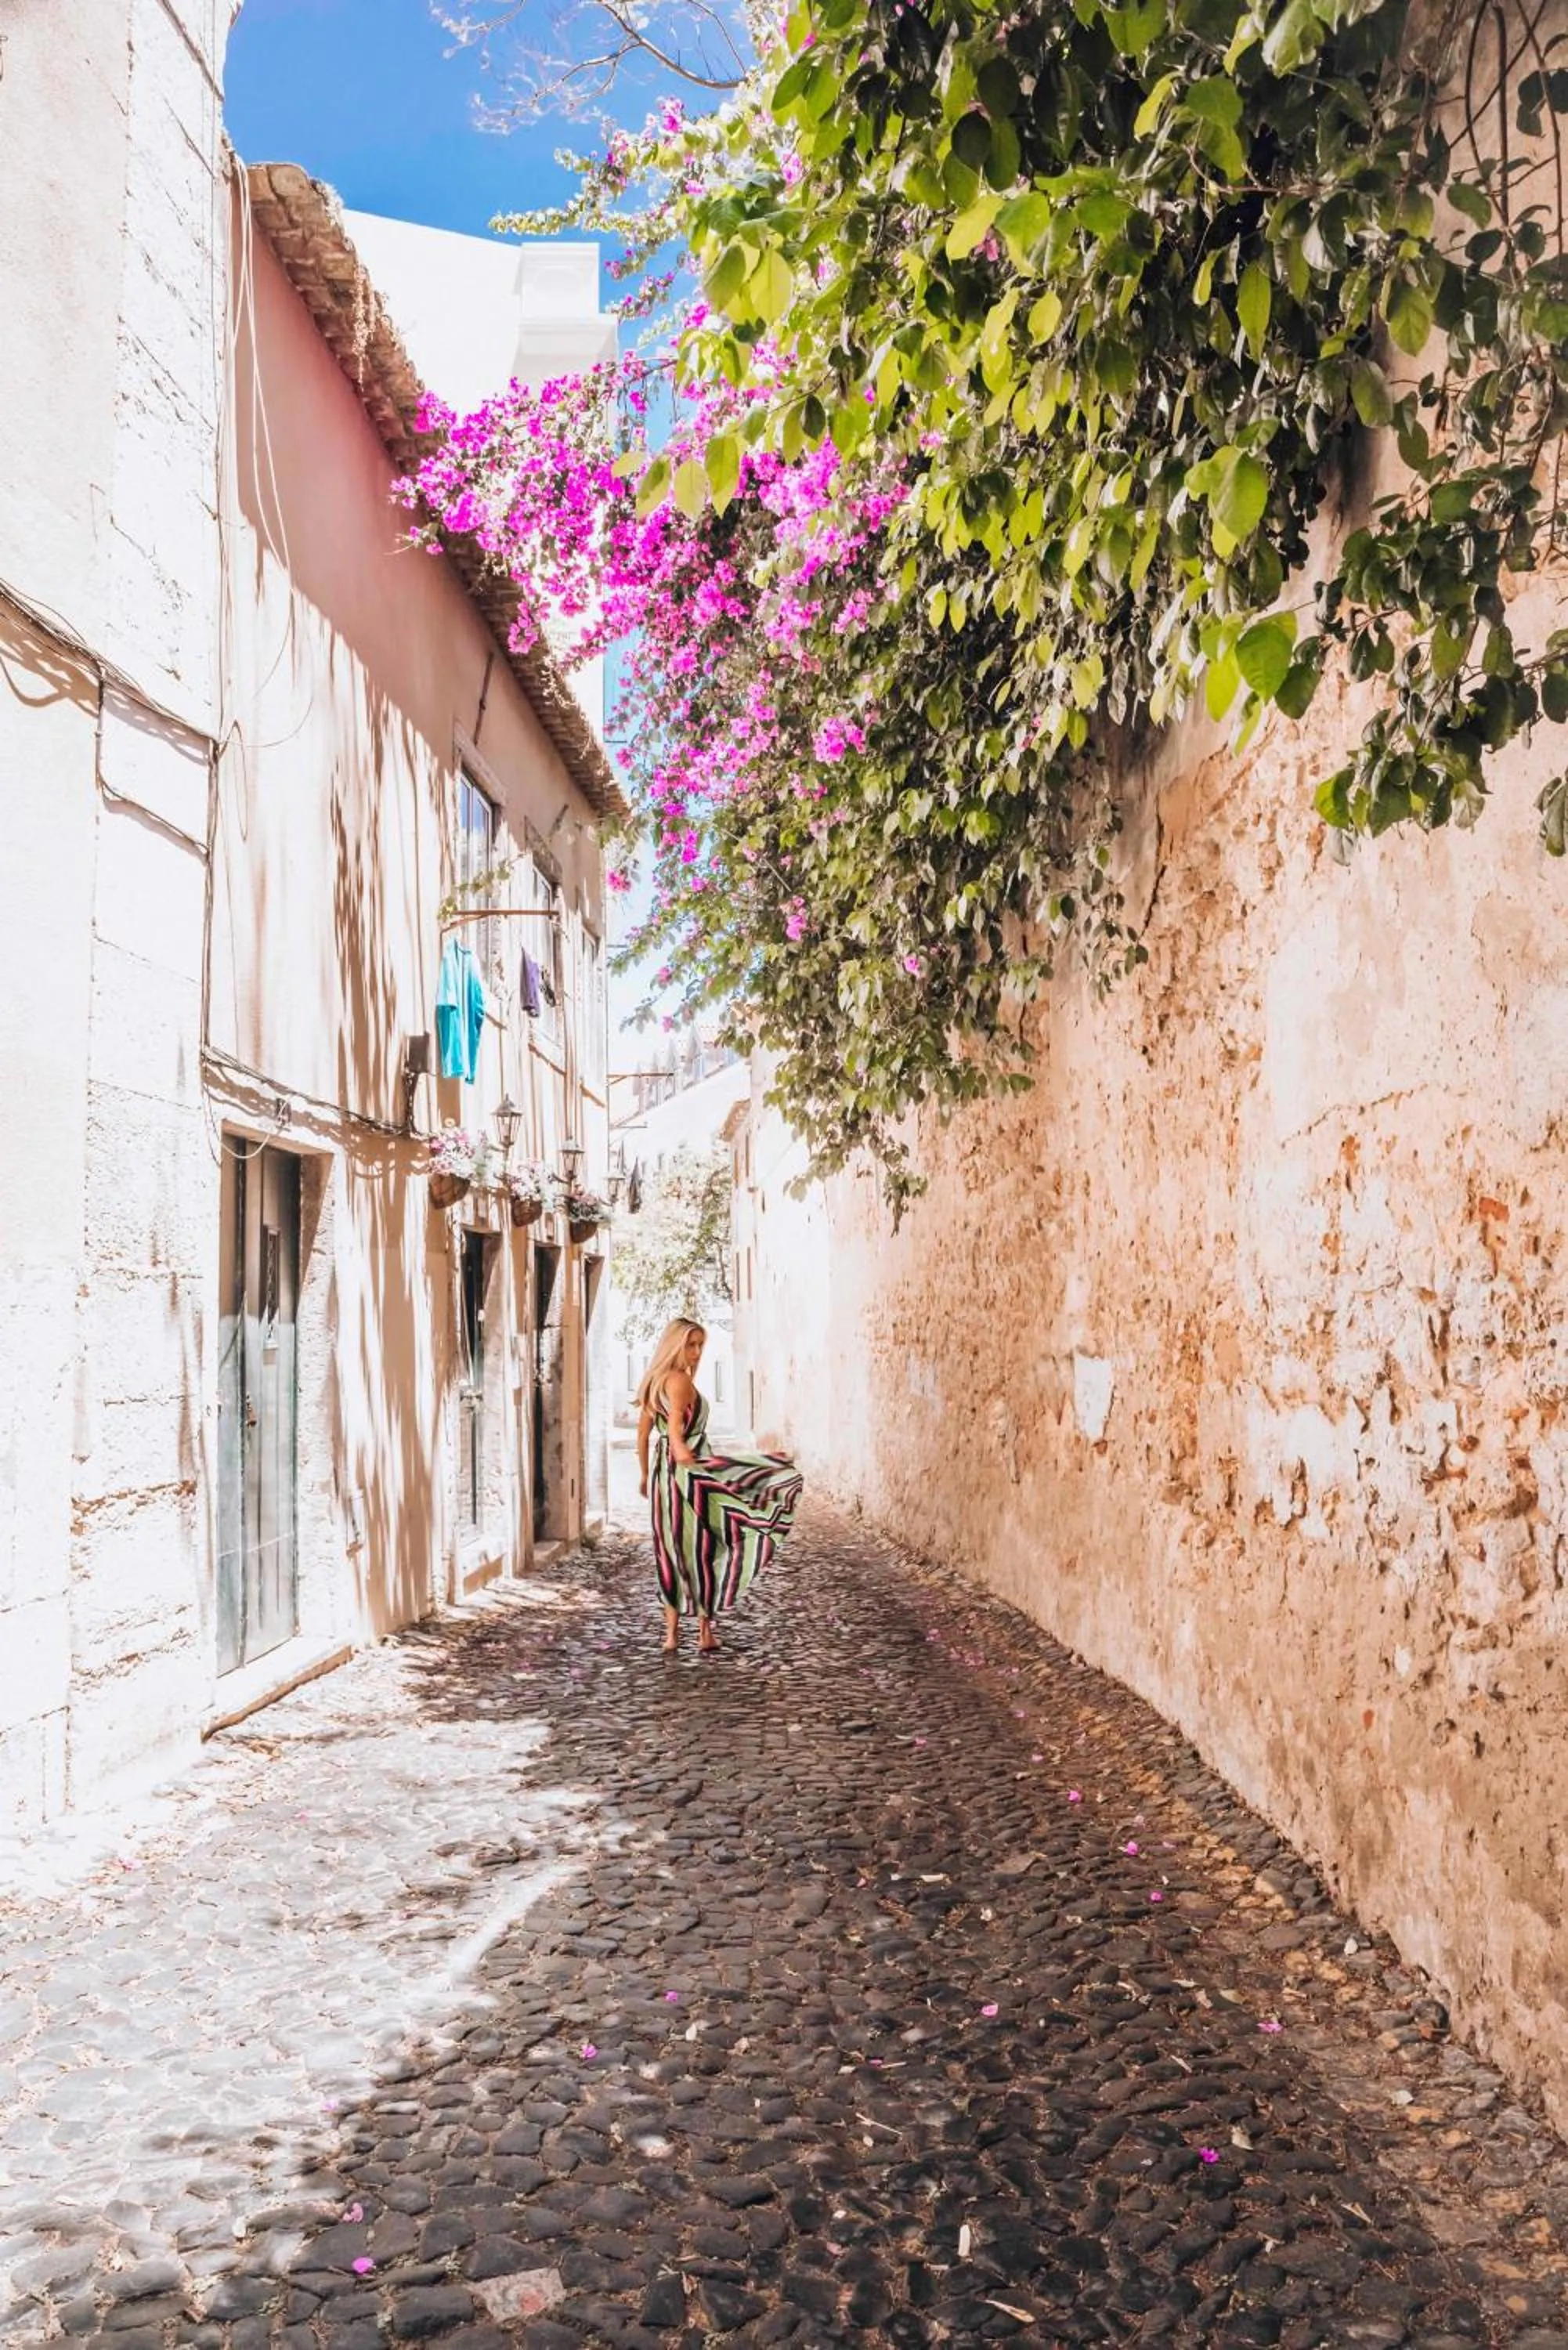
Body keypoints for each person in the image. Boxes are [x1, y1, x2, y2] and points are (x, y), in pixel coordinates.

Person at [636, 1317, 804, 1654]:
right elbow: (674, 1433)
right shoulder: (680, 1381)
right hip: (689, 1473)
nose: (697, 1353)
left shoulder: (653, 1382)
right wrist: (683, 1450)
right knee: (704, 1546)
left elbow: (642, 1436)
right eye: (691, 1345)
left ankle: (670, 1635)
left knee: (668, 1549)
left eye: (700, 1345)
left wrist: (644, 1475)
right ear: (675, 1345)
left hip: (662, 1476)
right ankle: (704, 1632)